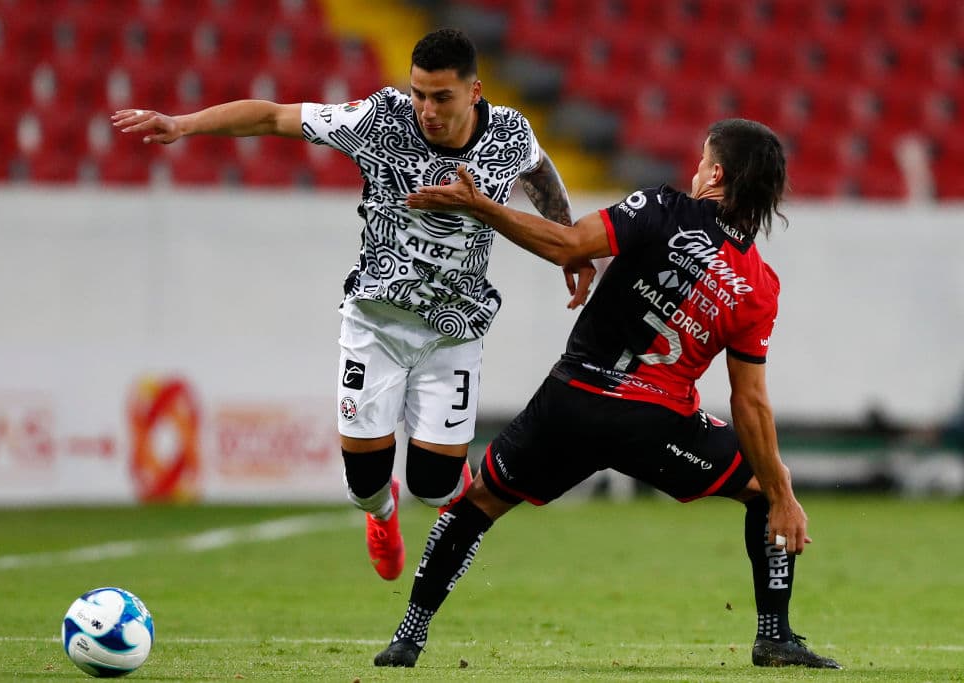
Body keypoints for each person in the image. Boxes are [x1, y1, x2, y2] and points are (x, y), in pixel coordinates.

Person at [111, 28, 594, 582]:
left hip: (456, 331)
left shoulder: (509, 133)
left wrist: (567, 243)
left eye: (441, 97)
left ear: (474, 92)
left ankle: (417, 495)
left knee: (435, 486)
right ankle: (381, 516)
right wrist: (184, 124)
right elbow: (273, 116)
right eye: (418, 93)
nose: (427, 110)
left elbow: (537, 168)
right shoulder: (381, 121)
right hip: (376, 321)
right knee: (365, 484)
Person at [375, 118, 841, 669]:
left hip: (572, 403)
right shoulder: (759, 286)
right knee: (763, 490)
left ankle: (409, 635)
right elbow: (750, 402)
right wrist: (783, 493)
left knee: (476, 506)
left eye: (701, 161)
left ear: (715, 173)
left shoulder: (661, 208)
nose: (693, 171)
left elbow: (568, 245)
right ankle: (775, 635)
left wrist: (481, 206)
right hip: (655, 424)